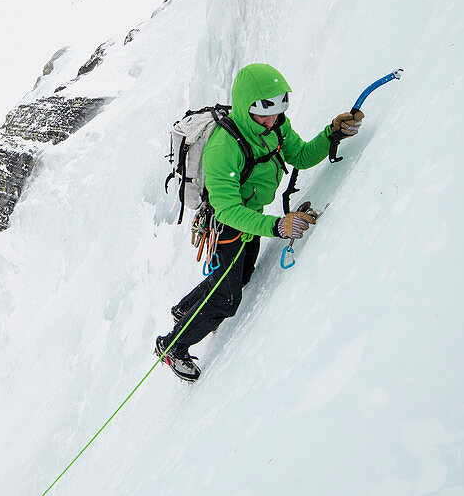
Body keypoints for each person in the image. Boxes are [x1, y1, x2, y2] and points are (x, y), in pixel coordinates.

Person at [155, 63, 364, 382]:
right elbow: (227, 211)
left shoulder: (277, 126)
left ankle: (186, 309)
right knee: (228, 298)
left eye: (277, 112)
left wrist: (331, 134)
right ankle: (173, 346)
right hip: (228, 225)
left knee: (240, 276)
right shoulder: (223, 148)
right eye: (263, 114)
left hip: (251, 217)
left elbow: (302, 156)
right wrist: (277, 226)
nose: (271, 121)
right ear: (244, 107)